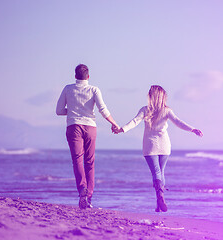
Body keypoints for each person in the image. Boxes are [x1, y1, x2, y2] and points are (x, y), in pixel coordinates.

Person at [114, 85, 203, 212]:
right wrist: (192, 129)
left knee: (156, 172)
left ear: (150, 97)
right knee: (161, 172)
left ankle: (159, 198)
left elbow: (134, 121)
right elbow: (178, 122)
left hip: (150, 145)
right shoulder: (167, 110)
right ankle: (160, 199)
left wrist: (122, 129)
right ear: (162, 97)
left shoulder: (145, 110)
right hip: (164, 145)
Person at [56, 64, 119, 209]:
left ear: (75, 76)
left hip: (73, 127)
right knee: (89, 162)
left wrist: (72, 111)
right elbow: (103, 109)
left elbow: (59, 111)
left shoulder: (68, 88)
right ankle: (89, 196)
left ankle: (82, 190)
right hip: (90, 127)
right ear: (88, 77)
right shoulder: (94, 89)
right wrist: (114, 123)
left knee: (77, 160)